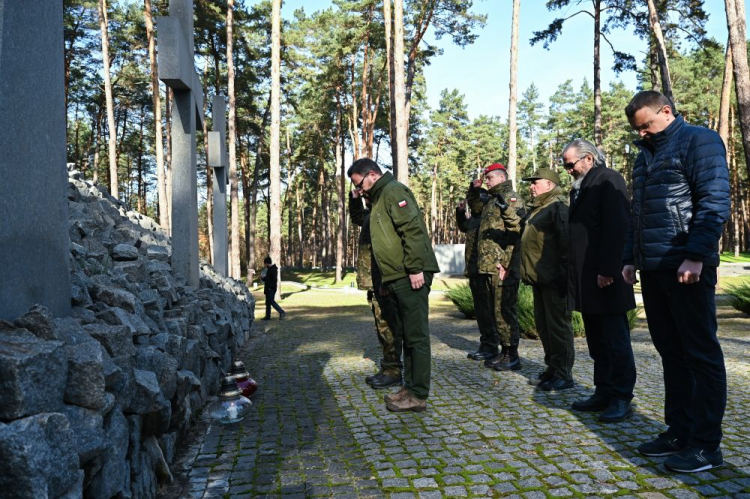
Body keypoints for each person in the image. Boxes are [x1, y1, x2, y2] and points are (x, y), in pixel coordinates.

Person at [623, 91, 730, 473]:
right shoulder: (644, 155)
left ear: (666, 111)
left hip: (687, 265)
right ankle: (679, 431)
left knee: (700, 354)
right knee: (671, 353)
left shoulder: (699, 140)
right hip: (654, 267)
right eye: (638, 130)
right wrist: (628, 259)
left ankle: (706, 445)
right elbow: (637, 215)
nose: (643, 134)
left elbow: (714, 201)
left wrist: (697, 254)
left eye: (647, 125)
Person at [347, 158, 440, 413]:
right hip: (397, 276)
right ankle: (409, 388)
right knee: (408, 336)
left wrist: (415, 268)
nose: (361, 190)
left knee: (416, 336)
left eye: (360, 184)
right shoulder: (378, 199)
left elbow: (412, 229)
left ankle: (418, 394)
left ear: (372, 175)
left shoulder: (393, 191)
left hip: (410, 273)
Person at [564, 139, 636, 423]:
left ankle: (621, 397)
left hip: (606, 277)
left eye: (570, 164)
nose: (568, 170)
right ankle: (603, 391)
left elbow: (618, 227)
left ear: (588, 159)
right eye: (565, 165)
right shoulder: (582, 186)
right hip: (588, 278)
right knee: (597, 341)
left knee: (616, 341)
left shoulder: (609, 179)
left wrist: (608, 268)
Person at [519, 168, 575, 391]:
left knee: (559, 328)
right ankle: (552, 368)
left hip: (554, 279)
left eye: (536, 182)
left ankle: (564, 374)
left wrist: (564, 276)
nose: (531, 186)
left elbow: (566, 242)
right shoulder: (538, 208)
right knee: (544, 327)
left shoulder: (557, 206)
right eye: (530, 183)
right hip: (540, 279)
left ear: (549, 185)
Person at [467, 164, 525, 372]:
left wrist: (508, 263)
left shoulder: (511, 198)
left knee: (505, 310)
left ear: (501, 177)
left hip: (502, 266)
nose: (487, 181)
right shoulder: (492, 200)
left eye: (489, 178)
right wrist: (474, 190)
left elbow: (517, 233)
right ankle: (503, 351)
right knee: (494, 311)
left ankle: (512, 355)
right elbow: (474, 207)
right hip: (488, 265)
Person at [349, 189, 402, 389]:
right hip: (373, 280)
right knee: (381, 327)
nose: (363, 195)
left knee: (388, 326)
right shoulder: (370, 214)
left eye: (365, 193)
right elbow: (357, 217)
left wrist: (386, 280)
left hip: (382, 281)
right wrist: (354, 199)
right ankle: (388, 366)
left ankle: (394, 371)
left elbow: (389, 249)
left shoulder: (383, 213)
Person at [456, 188, 497, 361]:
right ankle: (486, 344)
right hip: (474, 271)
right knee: (481, 311)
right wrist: (460, 212)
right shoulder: (474, 219)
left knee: (490, 310)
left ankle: (493, 346)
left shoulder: (487, 218)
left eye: (473, 200)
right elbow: (464, 227)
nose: (471, 204)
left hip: (485, 271)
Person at [260, 256, 286, 320]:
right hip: (268, 288)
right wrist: (263, 278)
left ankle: (281, 312)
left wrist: (270, 287)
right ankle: (268, 316)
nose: (265, 265)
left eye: (265, 264)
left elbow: (274, 280)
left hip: (271, 289)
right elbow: (268, 279)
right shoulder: (269, 269)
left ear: (267, 263)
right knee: (268, 303)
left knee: (271, 301)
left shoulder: (273, 269)